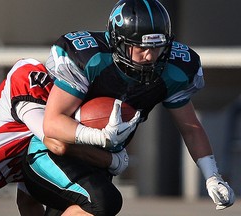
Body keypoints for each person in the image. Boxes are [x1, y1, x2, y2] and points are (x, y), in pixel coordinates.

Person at [21, 0, 235, 215]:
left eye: (157, 47)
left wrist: (212, 177)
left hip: (98, 163)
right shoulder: (91, 59)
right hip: (52, 154)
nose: (150, 56)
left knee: (98, 205)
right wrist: (100, 136)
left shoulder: (172, 70)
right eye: (141, 47)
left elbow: (190, 127)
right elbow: (52, 123)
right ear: (118, 42)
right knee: (103, 203)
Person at [0, 57, 124, 216]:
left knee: (98, 203)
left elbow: (27, 203)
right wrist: (112, 158)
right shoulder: (30, 76)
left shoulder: (34, 145)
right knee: (102, 202)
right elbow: (57, 143)